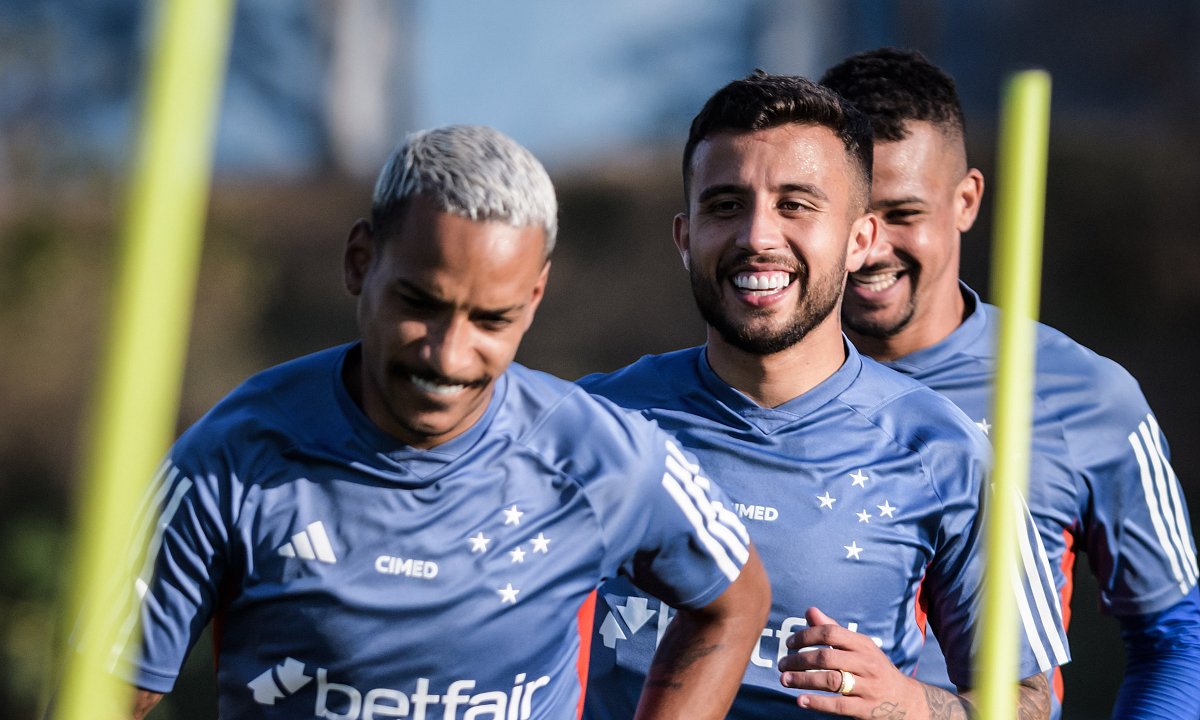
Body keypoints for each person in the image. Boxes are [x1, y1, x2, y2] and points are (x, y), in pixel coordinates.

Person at [116, 124, 771, 720]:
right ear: (359, 261)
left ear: (533, 298)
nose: (448, 355)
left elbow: (734, 602)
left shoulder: (601, 455)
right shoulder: (230, 457)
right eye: (420, 303)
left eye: (492, 319)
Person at [581, 72, 1067, 720]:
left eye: (796, 204)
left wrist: (913, 705)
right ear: (684, 236)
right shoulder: (591, 427)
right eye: (726, 205)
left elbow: (1031, 705)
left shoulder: (944, 449)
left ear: (860, 239)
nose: (758, 236)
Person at [822, 47, 1200, 719]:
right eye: (851, 219)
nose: (871, 249)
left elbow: (1176, 636)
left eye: (903, 214)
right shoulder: (751, 390)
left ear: (965, 200)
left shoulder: (1082, 396)